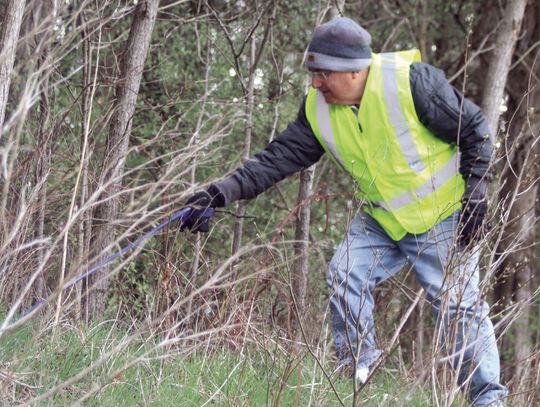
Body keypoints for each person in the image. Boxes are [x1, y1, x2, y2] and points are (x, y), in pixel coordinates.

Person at [181, 17, 507, 407]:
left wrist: (476, 197)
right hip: (382, 220)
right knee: (343, 274)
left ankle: (488, 399)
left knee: (459, 309)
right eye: (313, 73)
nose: (315, 83)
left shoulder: (412, 83)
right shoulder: (318, 110)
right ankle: (357, 378)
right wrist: (219, 194)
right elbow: (278, 158)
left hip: (444, 218)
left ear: (355, 69)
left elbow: (475, 130)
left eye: (323, 73)